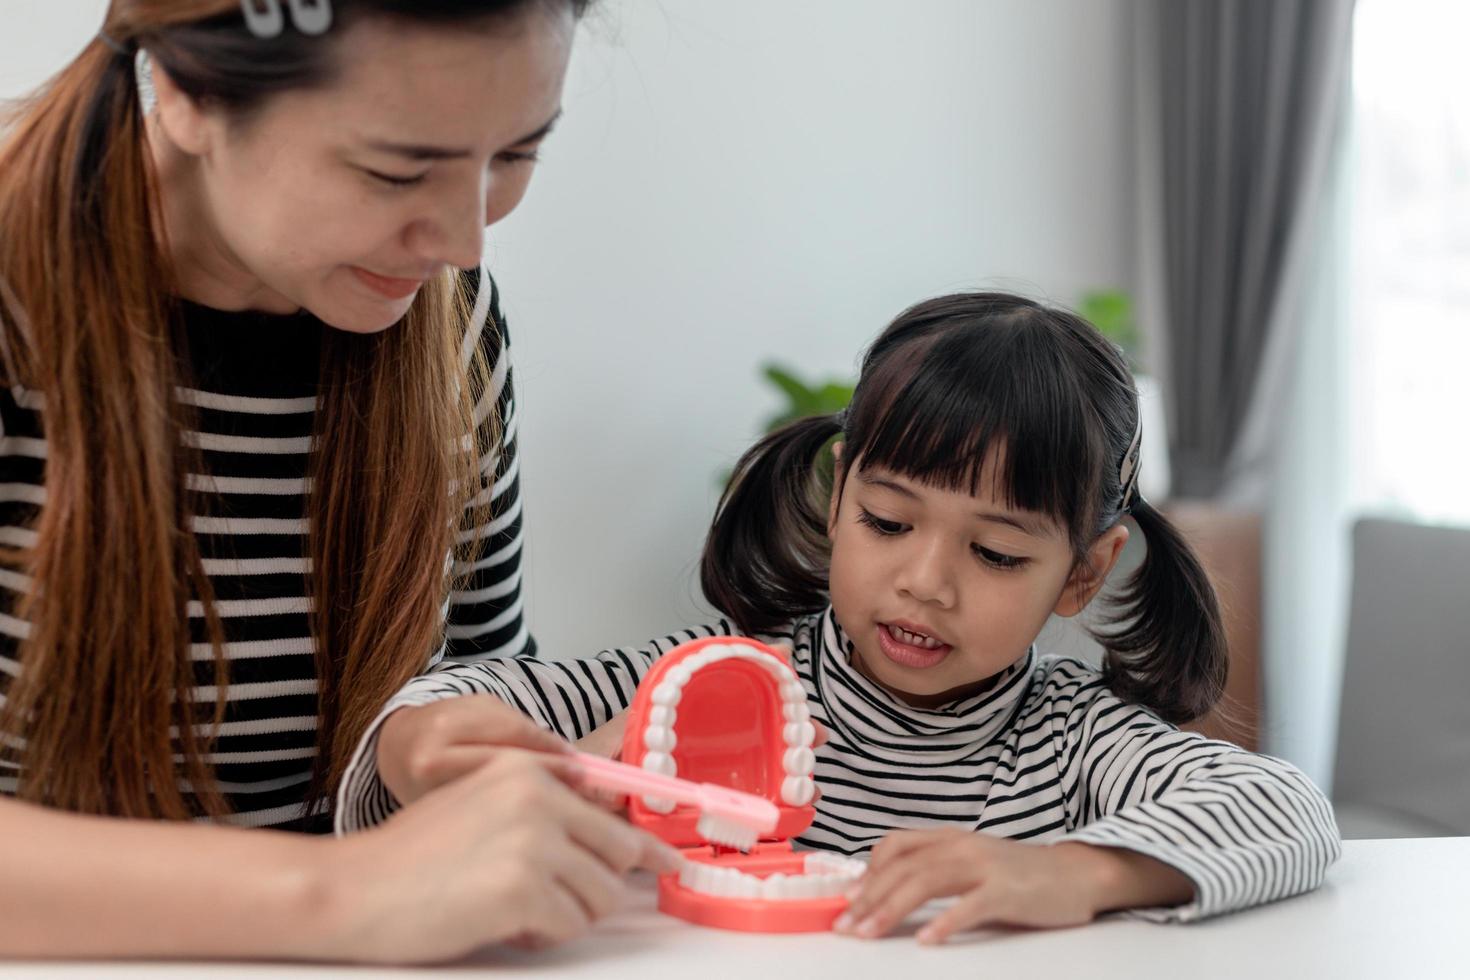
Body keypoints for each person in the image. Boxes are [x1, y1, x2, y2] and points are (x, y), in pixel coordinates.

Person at [0, 0, 679, 963]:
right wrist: (338, 893)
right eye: (395, 169)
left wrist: (442, 750)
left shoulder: (453, 325)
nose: (463, 240)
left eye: (518, 155)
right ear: (192, 94)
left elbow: (482, 670)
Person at [356, 292, 1341, 943]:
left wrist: (1075, 872)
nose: (926, 580)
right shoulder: (713, 684)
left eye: (995, 551)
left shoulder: (1075, 741)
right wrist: (432, 744)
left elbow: (1286, 810)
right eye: (887, 519)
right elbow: (442, 710)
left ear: (1083, 572)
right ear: (838, 500)